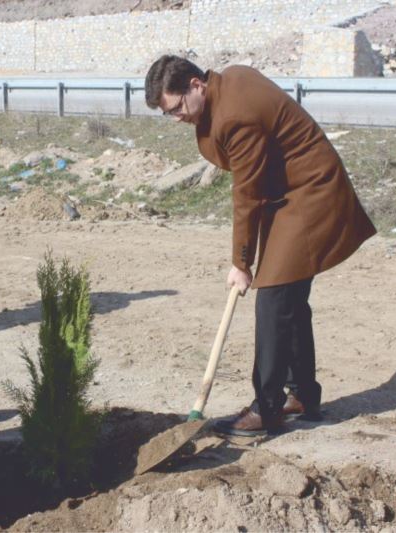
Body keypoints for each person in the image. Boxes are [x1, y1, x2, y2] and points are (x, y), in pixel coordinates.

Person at [144, 56, 376, 436]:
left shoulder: (236, 115)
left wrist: (242, 262)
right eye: (167, 114)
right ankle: (301, 396)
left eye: (177, 107)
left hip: (311, 194)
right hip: (288, 195)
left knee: (273, 298)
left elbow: (246, 195)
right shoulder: (230, 78)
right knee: (290, 298)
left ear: (195, 85)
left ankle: (266, 409)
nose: (176, 118)